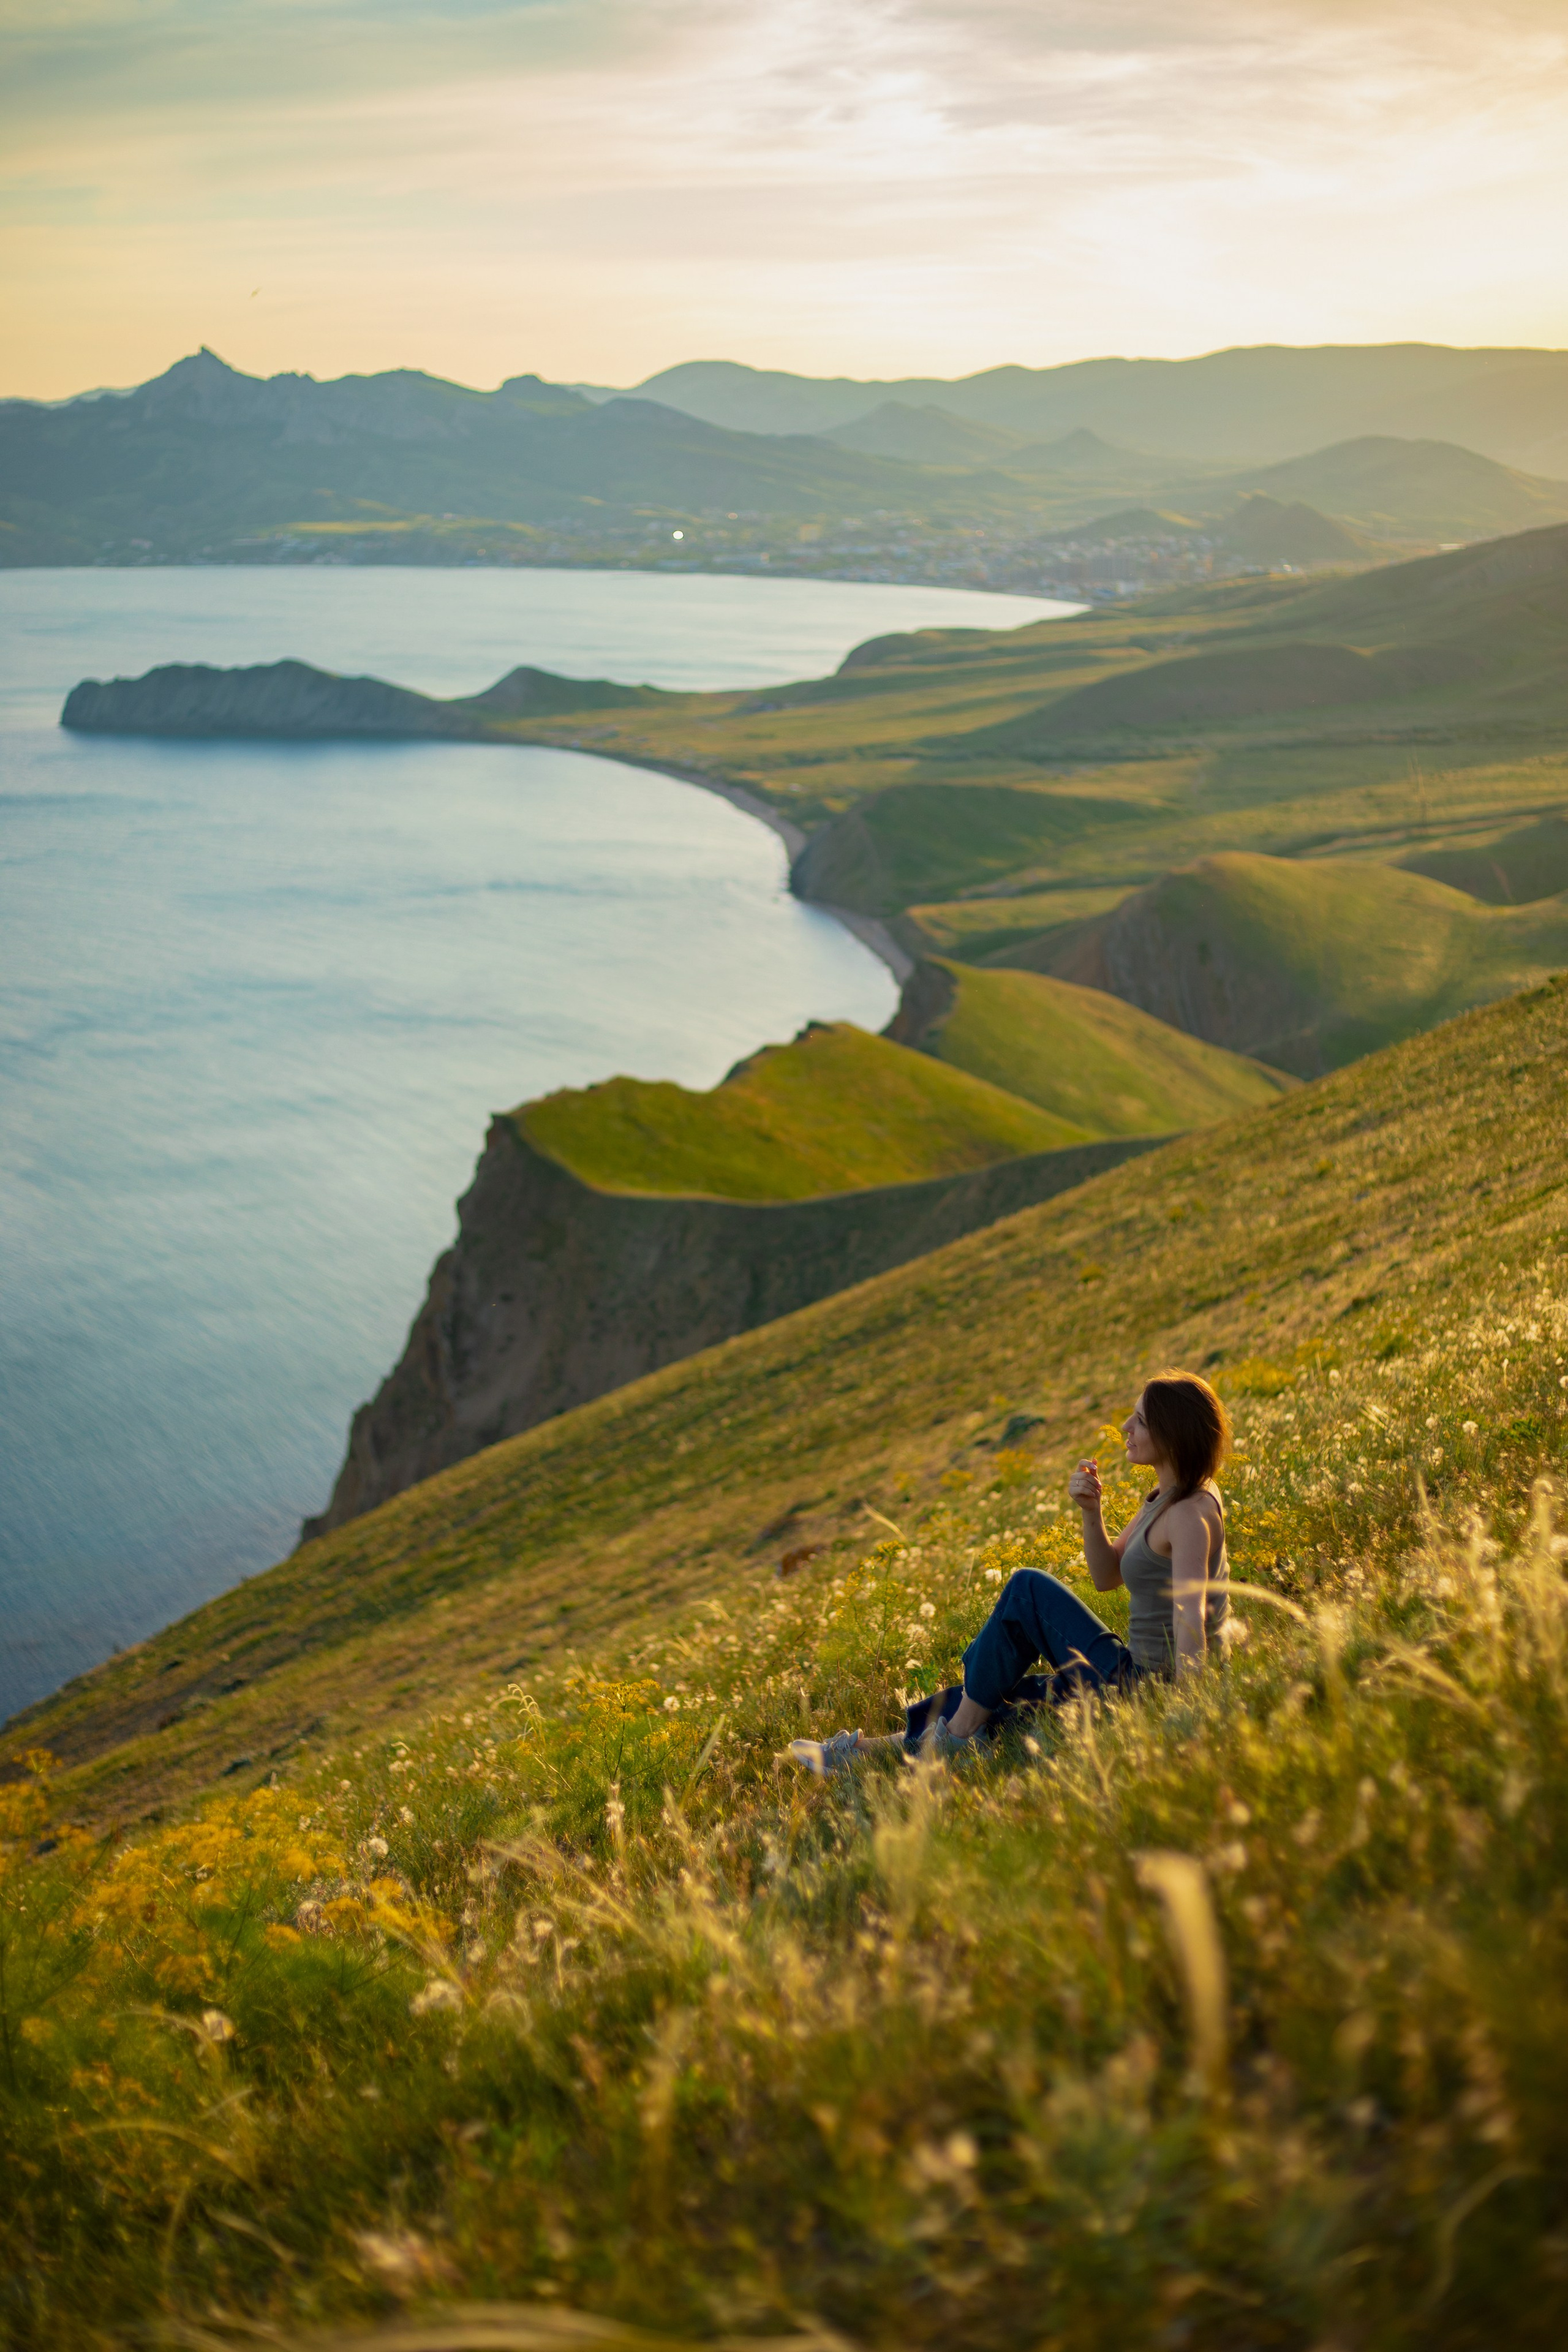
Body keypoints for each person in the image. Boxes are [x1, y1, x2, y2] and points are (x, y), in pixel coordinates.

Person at [790, 1369, 1231, 1776]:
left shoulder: (1190, 1513)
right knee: (1002, 1700)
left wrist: (1187, 1717)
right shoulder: (1166, 1496)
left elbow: (1191, 1618)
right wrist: (1091, 1513)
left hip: (1146, 1687)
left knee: (1026, 1589)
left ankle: (956, 1740)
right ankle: (863, 1754)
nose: (1125, 1429)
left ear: (1172, 1435)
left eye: (1140, 1421)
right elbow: (1107, 1576)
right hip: (1128, 1672)